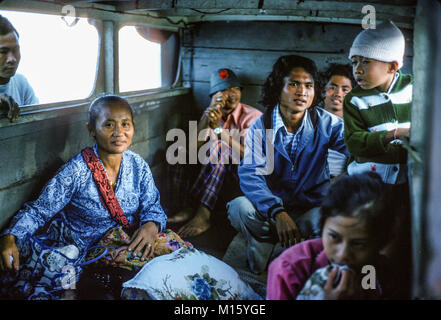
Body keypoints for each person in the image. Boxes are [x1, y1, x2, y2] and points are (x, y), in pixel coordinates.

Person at [0, 95, 167, 299]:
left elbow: (153, 206)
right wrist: (10, 237)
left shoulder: (137, 165)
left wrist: (151, 225)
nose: (118, 132)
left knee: (176, 263)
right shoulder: (76, 171)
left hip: (128, 240)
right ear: (91, 129)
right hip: (89, 253)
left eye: (125, 124)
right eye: (108, 125)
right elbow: (38, 211)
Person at [227, 55, 349, 274]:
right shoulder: (260, 127)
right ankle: (263, 241)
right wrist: (277, 211)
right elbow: (250, 174)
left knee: (327, 220)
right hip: (271, 212)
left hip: (310, 208)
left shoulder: (326, 122)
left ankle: (295, 249)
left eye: (308, 86)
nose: (302, 92)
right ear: (278, 88)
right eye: (293, 84)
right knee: (239, 207)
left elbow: (357, 148)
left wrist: (343, 178)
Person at [343, 19, 413, 297]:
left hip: (402, 185)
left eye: (366, 62)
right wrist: (392, 134)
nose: (357, 70)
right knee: (364, 239)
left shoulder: (415, 89)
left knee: (394, 242)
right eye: (354, 62)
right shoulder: (355, 100)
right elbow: (355, 144)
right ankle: (358, 287)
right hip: (366, 185)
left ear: (393, 66)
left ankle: (385, 288)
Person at [266, 172, 397, 300]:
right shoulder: (288, 270)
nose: (342, 255)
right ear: (322, 228)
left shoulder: (378, 270)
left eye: (358, 244)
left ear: (380, 243)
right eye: (334, 237)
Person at [168, 68, 262, 238]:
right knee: (179, 149)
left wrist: (219, 131)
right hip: (213, 170)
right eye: (224, 91)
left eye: (235, 89)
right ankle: (185, 207)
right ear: (213, 96)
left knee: (219, 147)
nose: (230, 95)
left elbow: (250, 156)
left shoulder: (253, 116)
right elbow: (189, 151)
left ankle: (203, 214)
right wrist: (207, 116)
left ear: (241, 91)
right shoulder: (212, 113)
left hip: (241, 173)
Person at [318, 63, 355, 178]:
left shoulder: (354, 127)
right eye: (332, 87)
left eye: (345, 90)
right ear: (324, 90)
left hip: (337, 185)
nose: (338, 94)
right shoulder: (308, 118)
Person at [0, 15, 38, 122]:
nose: (12, 59)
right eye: (3, 52)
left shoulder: (21, 83)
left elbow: (35, 121)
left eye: (16, 50)